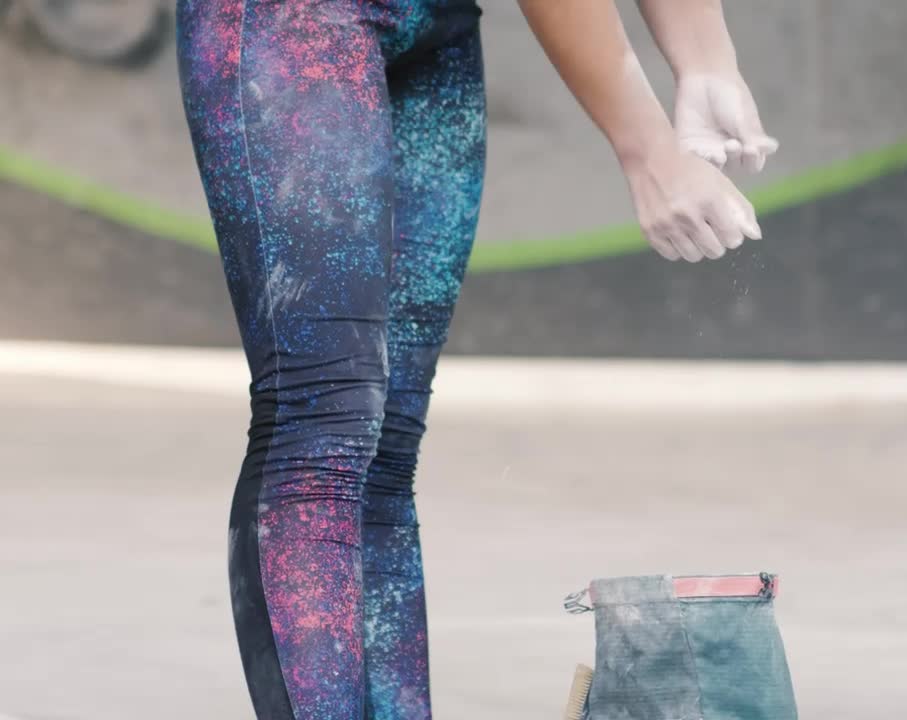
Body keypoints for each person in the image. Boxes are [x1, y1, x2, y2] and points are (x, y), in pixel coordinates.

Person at [176, 0, 777, 717]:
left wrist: (707, 62)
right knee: (326, 419)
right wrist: (647, 148)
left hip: (437, 31)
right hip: (295, 22)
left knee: (387, 445)